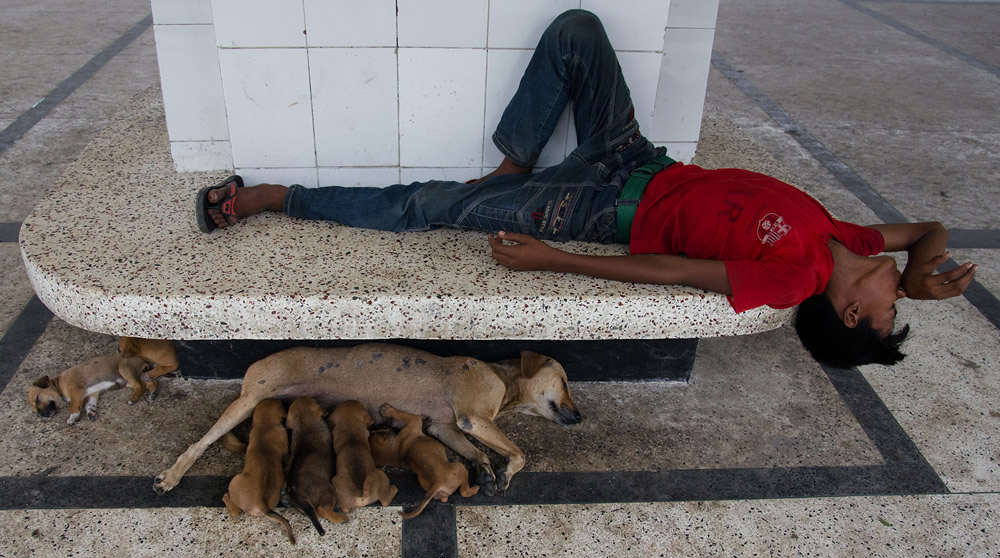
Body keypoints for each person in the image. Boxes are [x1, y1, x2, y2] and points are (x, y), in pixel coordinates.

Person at [196, 9, 977, 369]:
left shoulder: (794, 278)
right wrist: (918, 272)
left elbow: (672, 271)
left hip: (599, 209)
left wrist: (553, 259)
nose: (898, 300)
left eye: (889, 313)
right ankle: (511, 169)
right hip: (636, 156)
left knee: (431, 208)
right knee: (576, 31)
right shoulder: (864, 247)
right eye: (898, 304)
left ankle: (275, 197)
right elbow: (931, 227)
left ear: (847, 312)